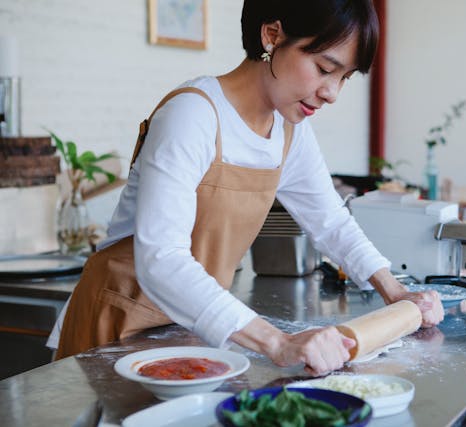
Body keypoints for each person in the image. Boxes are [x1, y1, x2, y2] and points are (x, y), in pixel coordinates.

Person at [49, 0, 444, 376]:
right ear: (272, 35)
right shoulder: (193, 116)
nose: (332, 93)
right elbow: (162, 260)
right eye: (324, 68)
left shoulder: (290, 133)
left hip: (185, 327)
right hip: (114, 327)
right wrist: (277, 343)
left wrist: (396, 292)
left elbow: (331, 222)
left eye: (344, 77)